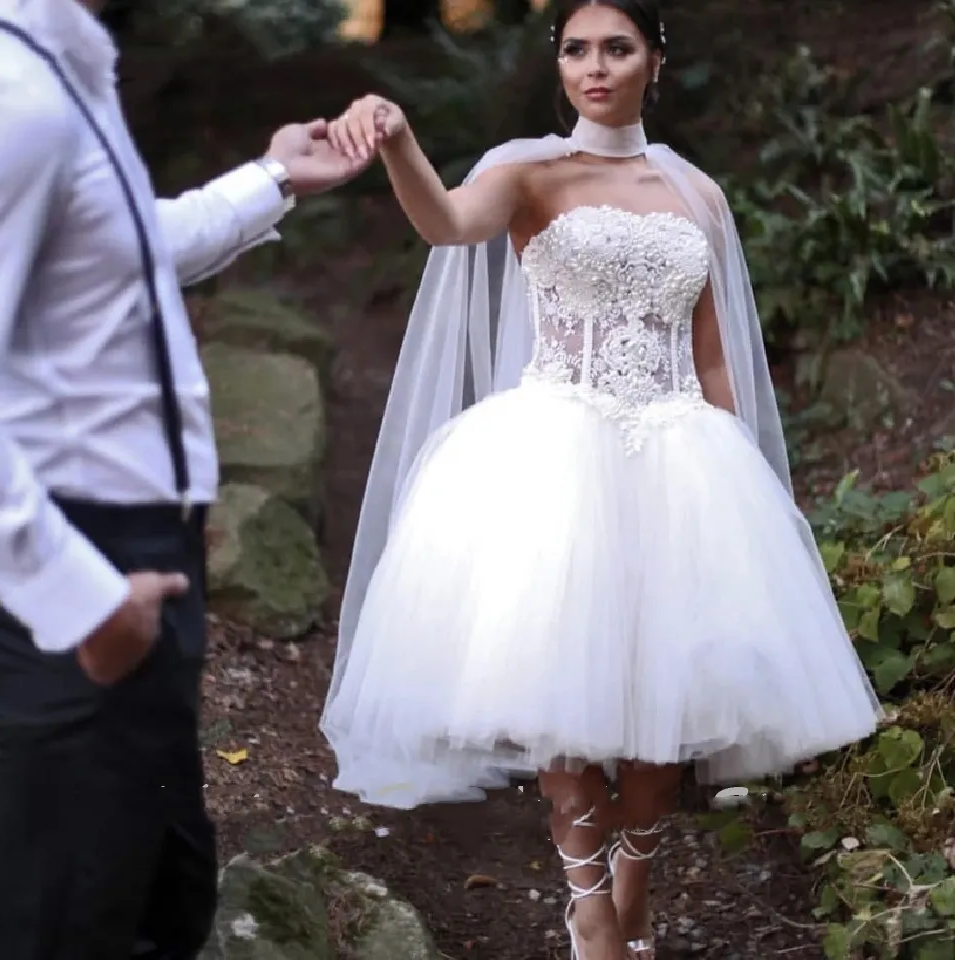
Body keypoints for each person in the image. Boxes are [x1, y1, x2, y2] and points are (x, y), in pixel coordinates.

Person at [319, 0, 882, 958]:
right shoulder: (528, 171)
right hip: (554, 457)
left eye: (616, 48)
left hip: (681, 462)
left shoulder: (697, 196)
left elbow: (711, 360)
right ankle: (589, 909)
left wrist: (745, 473)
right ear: (560, 66)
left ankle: (636, 883)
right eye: (576, 49)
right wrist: (403, 143)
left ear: (654, 62)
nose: (595, 66)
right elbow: (449, 225)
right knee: (562, 702)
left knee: (664, 722)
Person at [0, 0, 370, 958]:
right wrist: (75, 598)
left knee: (158, 887)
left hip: (143, 553)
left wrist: (274, 177)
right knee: (66, 908)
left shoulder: (62, 64)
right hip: (75, 565)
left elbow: (117, 254)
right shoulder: (13, 90)